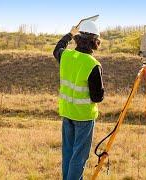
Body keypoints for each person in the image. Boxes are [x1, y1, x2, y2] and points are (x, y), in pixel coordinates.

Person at [53, 20, 104, 180]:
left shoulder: (66, 56)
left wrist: (70, 33)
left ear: (77, 38)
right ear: (95, 41)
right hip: (84, 117)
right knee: (79, 157)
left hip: (67, 113)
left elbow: (57, 48)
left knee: (68, 153)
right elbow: (97, 97)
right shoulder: (93, 64)